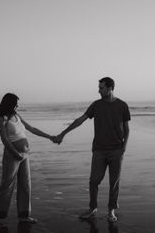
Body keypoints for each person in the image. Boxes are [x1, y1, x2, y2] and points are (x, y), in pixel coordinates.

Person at [54, 77, 130, 222]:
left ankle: (111, 211)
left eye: (101, 88)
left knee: (114, 182)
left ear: (110, 88)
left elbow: (127, 129)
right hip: (99, 150)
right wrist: (63, 133)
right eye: (99, 88)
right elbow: (80, 120)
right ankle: (92, 208)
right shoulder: (96, 105)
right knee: (94, 180)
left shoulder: (122, 105)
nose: (99, 90)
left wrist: (123, 149)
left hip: (116, 150)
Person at [0, 93, 55, 227]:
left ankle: (24, 216)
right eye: (16, 103)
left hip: (24, 155)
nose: (18, 106)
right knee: (7, 185)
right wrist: (15, 153)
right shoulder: (3, 118)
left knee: (25, 184)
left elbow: (32, 129)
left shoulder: (17, 116)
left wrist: (50, 137)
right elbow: (5, 140)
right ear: (10, 103)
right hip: (12, 155)